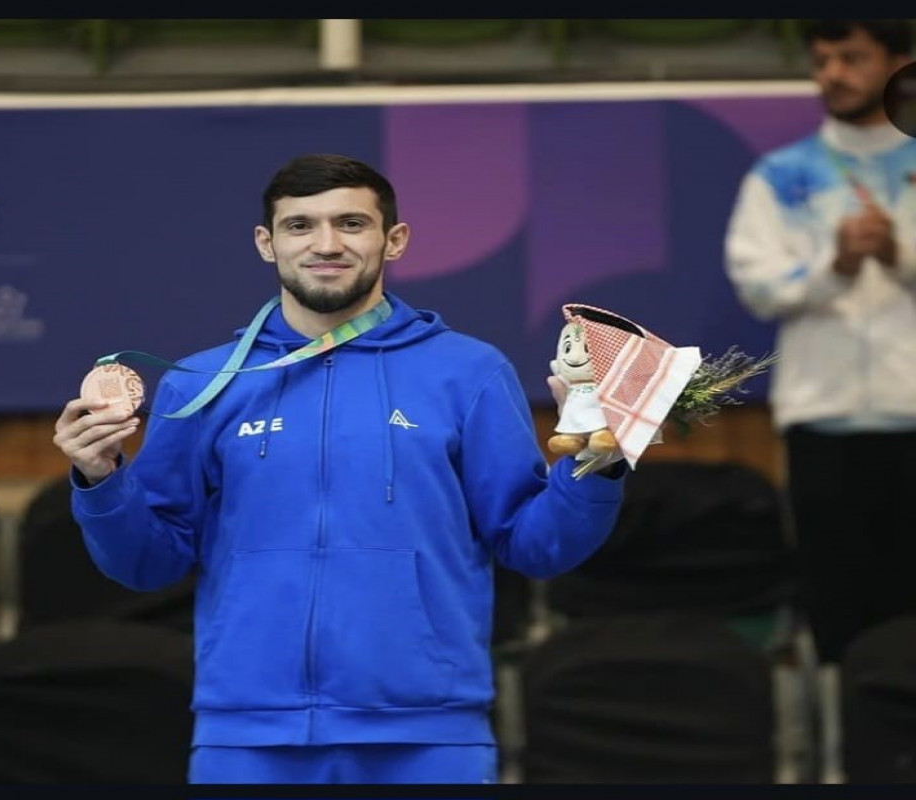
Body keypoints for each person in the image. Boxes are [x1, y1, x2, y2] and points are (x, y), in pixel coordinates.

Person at [53, 153, 625, 784]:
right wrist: (101, 479)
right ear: (266, 244)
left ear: (394, 239)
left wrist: (596, 464)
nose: (326, 244)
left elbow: (534, 543)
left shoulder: (469, 372)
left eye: (351, 223)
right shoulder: (203, 381)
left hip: (430, 732)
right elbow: (147, 563)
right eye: (301, 226)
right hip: (247, 732)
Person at [724, 20, 916, 668]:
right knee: (837, 604)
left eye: (853, 58)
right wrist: (833, 266)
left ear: (899, 63)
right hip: (822, 420)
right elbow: (757, 284)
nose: (833, 72)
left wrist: (901, 254)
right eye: (823, 59)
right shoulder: (781, 175)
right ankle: (845, 749)